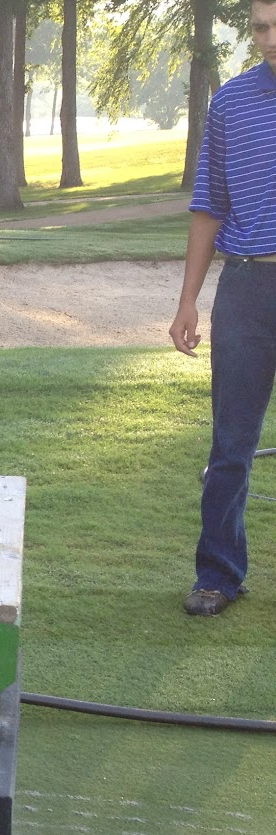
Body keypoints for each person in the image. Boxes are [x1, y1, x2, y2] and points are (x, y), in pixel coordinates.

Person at [170, 0, 276, 616]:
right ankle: (217, 574)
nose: (269, 37)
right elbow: (209, 205)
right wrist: (187, 299)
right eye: (260, 26)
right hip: (246, 288)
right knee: (231, 442)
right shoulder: (231, 102)